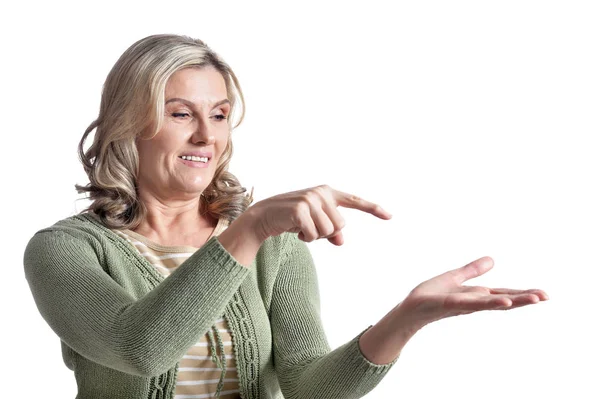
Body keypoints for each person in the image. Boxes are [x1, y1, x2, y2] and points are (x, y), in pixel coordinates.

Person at [23, 34, 549, 399]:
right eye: (181, 114)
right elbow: (140, 348)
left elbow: (308, 388)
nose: (207, 136)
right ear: (127, 123)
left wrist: (405, 319)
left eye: (221, 114)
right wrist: (249, 228)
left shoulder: (272, 245)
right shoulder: (65, 250)